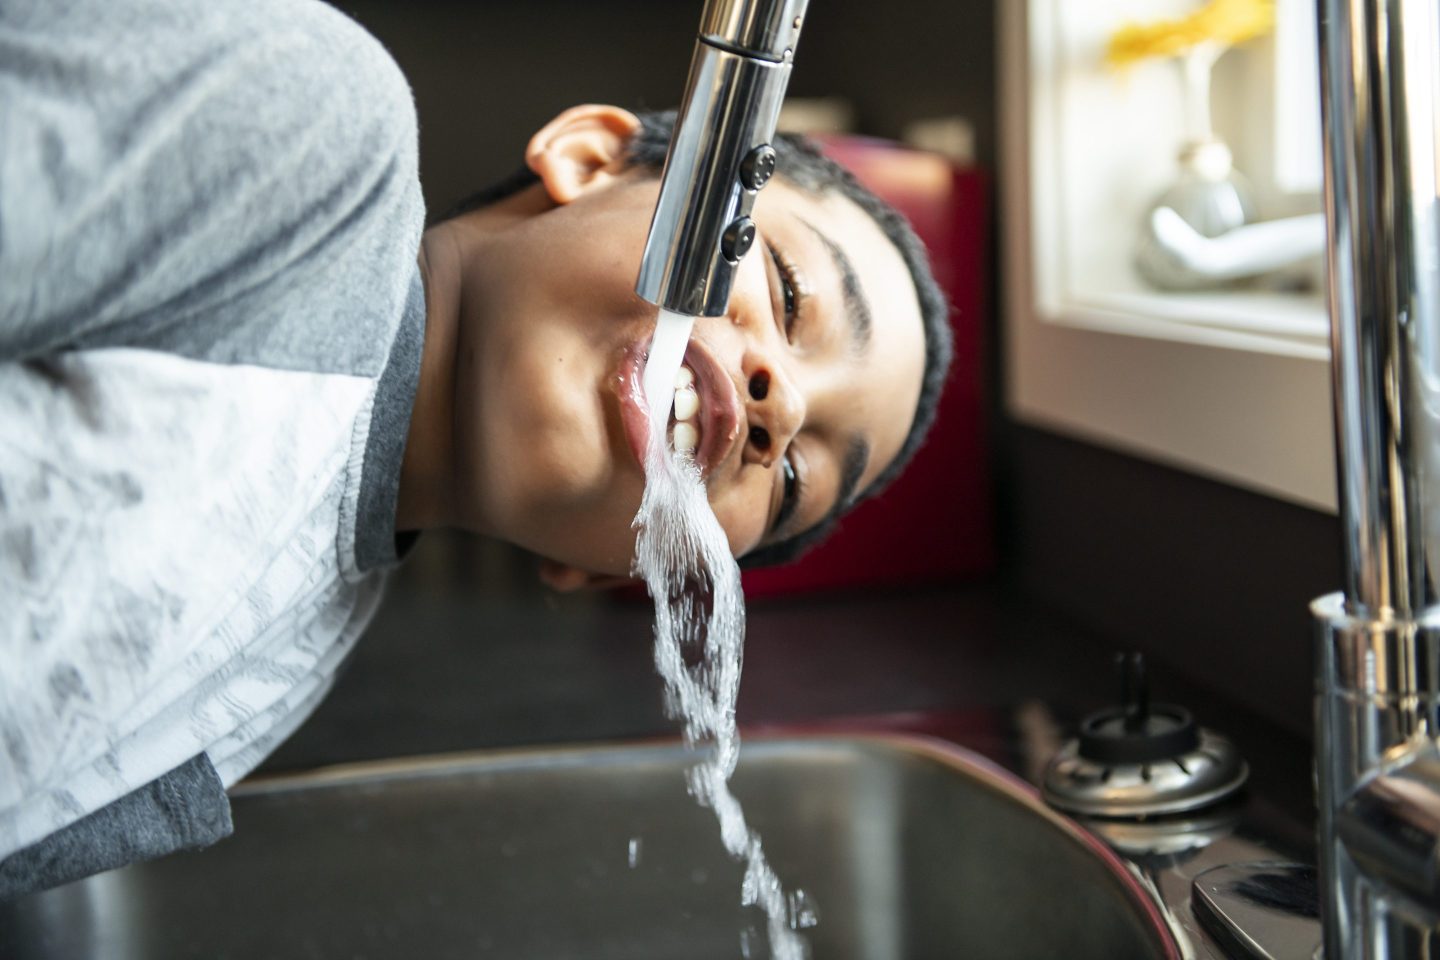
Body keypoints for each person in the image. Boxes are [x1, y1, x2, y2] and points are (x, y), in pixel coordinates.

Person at [0, 0, 951, 897]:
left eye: (793, 480)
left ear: (628, 575)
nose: (784, 403)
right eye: (787, 292)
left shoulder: (267, 685)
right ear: (589, 158)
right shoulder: (310, 133)